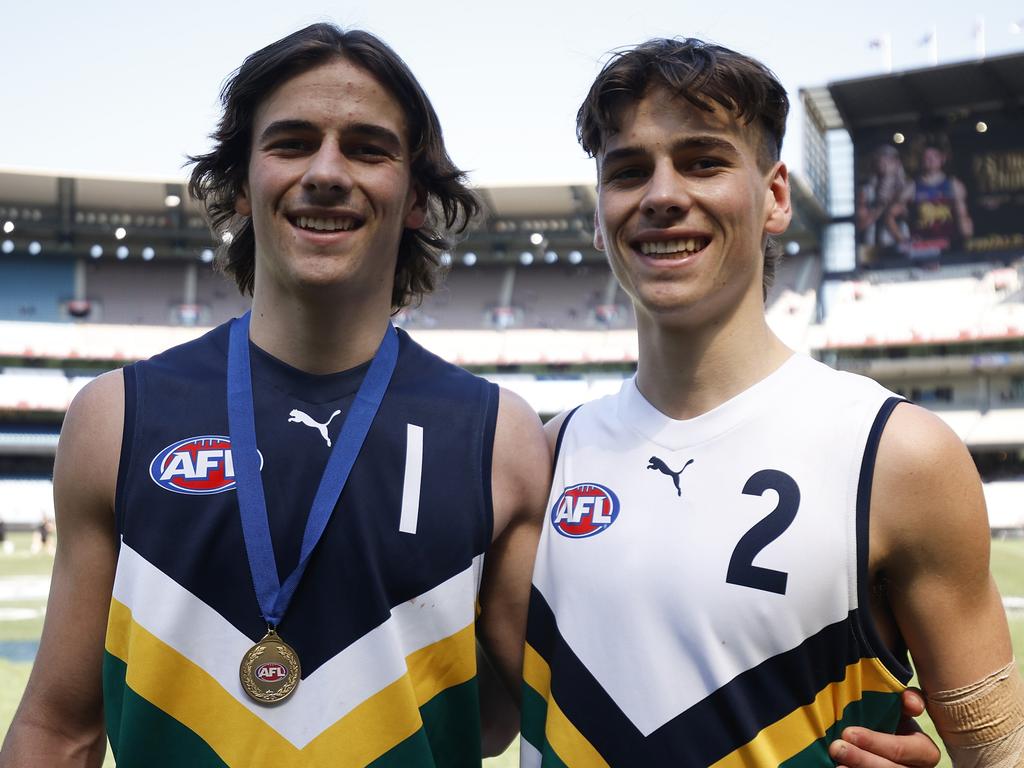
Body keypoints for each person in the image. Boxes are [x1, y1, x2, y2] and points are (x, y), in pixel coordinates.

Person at [0, 24, 548, 766]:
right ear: (238, 183)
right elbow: (58, 730)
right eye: (290, 143)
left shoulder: (499, 441)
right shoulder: (116, 419)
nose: (326, 171)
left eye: (366, 147)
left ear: (416, 197)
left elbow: (518, 724)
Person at [521, 38, 1022, 767]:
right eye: (628, 171)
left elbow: (1000, 754)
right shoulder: (540, 457)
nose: (662, 194)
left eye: (703, 161)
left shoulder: (897, 453)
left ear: (775, 197)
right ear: (599, 216)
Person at [900, 139, 973, 260]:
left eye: (934, 156)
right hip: (922, 246)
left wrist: (967, 242)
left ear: (942, 159)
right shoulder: (911, 187)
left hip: (949, 244)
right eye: (927, 157)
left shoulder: (954, 185)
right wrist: (902, 239)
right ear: (922, 160)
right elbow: (892, 215)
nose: (931, 160)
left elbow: (963, 216)